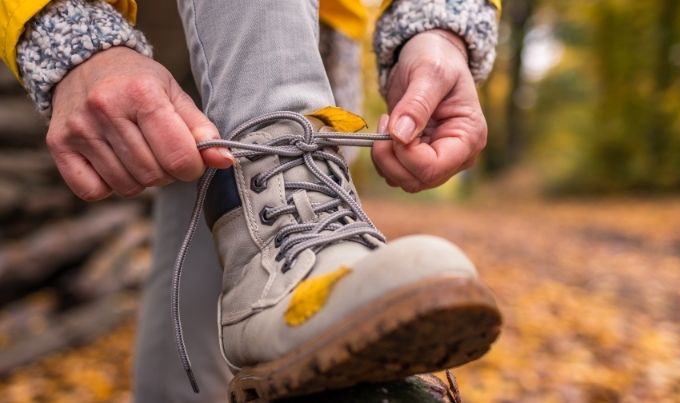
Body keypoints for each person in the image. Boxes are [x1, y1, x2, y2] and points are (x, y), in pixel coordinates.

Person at [0, 0, 502, 401]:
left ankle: (295, 236)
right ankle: (295, 213)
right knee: (265, 257)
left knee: (207, 300)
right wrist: (69, 32)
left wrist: (437, 24)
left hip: (315, 23)